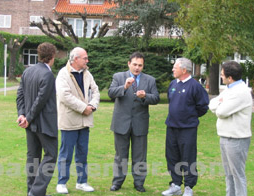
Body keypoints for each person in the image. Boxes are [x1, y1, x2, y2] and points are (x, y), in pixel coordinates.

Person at [108, 52, 160, 193]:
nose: (137, 68)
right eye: (135, 64)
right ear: (129, 63)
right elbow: (111, 93)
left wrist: (145, 97)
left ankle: (139, 183)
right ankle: (117, 182)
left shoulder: (150, 80)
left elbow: (156, 98)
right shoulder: (118, 77)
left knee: (140, 156)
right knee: (120, 155)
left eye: (140, 65)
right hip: (121, 123)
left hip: (140, 123)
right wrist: (124, 87)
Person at [55, 47, 100, 194]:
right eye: (85, 58)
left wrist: (92, 106)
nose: (87, 61)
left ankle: (82, 181)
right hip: (69, 121)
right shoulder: (63, 74)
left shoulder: (87, 74)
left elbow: (96, 91)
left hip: (85, 121)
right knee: (66, 154)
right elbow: (64, 96)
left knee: (82, 153)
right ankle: (61, 182)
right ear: (76, 59)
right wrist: (83, 108)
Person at [162, 57, 209, 196]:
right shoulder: (173, 84)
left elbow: (202, 107)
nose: (172, 69)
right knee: (171, 156)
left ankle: (189, 187)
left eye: (175, 67)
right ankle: (176, 184)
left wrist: (189, 117)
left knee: (188, 158)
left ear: (184, 70)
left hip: (188, 129)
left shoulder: (195, 86)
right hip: (171, 127)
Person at [16, 42, 58, 196]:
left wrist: (22, 115)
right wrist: (25, 116)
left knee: (32, 157)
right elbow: (40, 100)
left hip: (30, 123)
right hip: (44, 124)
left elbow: (20, 95)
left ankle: (31, 191)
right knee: (51, 155)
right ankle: (36, 191)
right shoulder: (47, 74)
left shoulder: (28, 71)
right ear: (52, 56)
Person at [209, 61, 252, 196]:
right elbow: (212, 103)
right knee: (228, 174)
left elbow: (221, 112)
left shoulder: (241, 92)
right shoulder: (229, 89)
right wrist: (220, 105)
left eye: (222, 75)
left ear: (230, 77)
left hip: (237, 139)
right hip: (225, 136)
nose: (221, 77)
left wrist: (220, 106)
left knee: (237, 175)